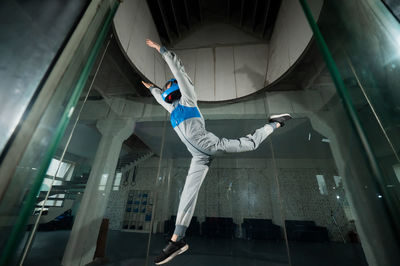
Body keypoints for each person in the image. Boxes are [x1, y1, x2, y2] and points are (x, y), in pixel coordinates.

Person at [142, 39, 292, 265]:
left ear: (174, 88)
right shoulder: (173, 110)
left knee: (249, 144)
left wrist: (161, 50)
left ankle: (276, 123)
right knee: (186, 196)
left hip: (210, 145)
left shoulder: (189, 100)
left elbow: (179, 71)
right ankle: (177, 240)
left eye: (165, 88)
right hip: (198, 157)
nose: (164, 91)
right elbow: (158, 98)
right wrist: (152, 88)